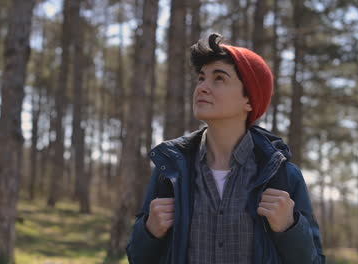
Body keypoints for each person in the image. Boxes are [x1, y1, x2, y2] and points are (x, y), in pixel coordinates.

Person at [126, 33, 325, 264]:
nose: (202, 87)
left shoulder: (283, 176)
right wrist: (150, 232)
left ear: (249, 101)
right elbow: (137, 258)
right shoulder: (170, 171)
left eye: (219, 78)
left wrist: (289, 228)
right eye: (201, 78)